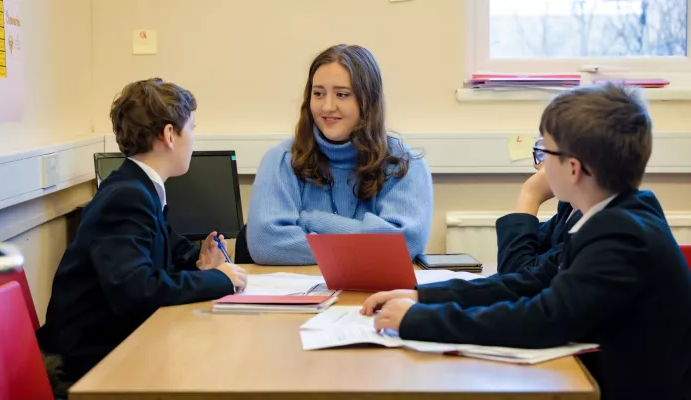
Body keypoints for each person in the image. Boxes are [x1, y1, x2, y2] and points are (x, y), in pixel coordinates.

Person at [361, 82, 691, 400]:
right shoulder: (609, 219)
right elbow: (525, 283)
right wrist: (423, 296)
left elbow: (544, 319)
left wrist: (420, 321)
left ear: (572, 168)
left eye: (546, 151)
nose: (541, 163)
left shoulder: (622, 235)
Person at [37, 78, 248, 389]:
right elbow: (137, 289)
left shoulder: (138, 187)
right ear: (169, 135)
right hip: (88, 362)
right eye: (191, 128)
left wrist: (199, 262)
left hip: (110, 345)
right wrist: (221, 279)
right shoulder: (127, 196)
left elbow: (168, 251)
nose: (193, 138)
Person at [246, 44, 433, 265]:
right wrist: (367, 241)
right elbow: (266, 245)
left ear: (369, 102)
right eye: (318, 94)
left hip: (376, 296)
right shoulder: (280, 160)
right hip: (303, 293)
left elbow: (403, 245)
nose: (327, 106)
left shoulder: (403, 165)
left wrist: (314, 220)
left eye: (342, 95)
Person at [495, 138, 582, 274]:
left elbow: (515, 276)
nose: (537, 166)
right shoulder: (569, 208)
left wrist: (530, 194)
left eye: (545, 152)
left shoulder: (594, 222)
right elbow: (523, 248)